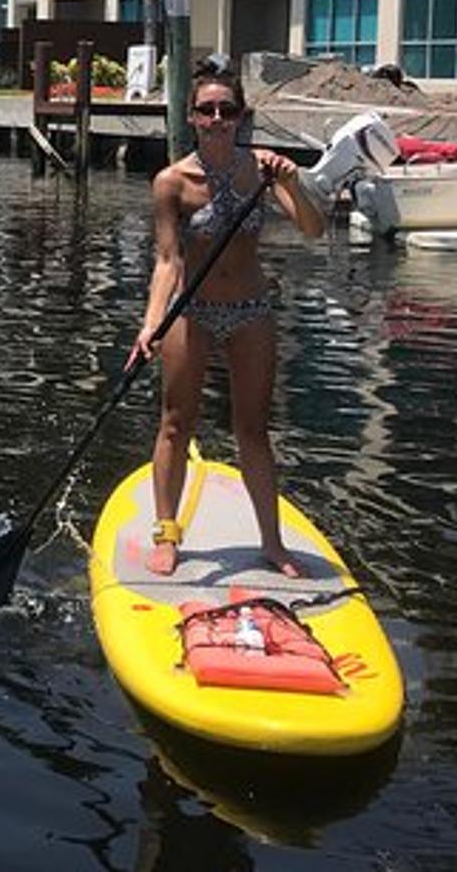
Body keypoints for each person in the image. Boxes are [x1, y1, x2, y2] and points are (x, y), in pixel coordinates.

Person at [129, 58, 327, 578]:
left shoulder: (262, 169)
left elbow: (313, 230)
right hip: (191, 311)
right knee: (176, 422)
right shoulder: (172, 182)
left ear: (241, 116)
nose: (218, 118)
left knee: (253, 430)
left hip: (250, 312)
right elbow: (168, 262)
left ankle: (272, 543)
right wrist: (151, 324)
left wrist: (294, 182)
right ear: (192, 116)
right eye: (207, 110)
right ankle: (167, 533)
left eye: (227, 109)